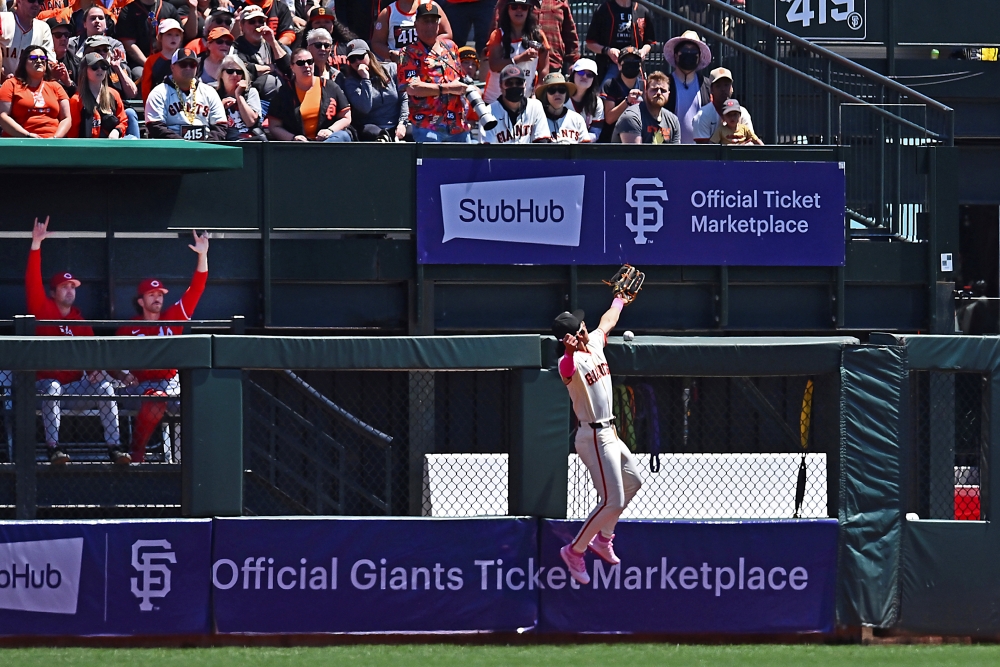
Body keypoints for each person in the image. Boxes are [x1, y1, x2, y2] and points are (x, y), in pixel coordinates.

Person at [552, 301, 642, 585]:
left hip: (610, 431)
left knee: (633, 481)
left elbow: (608, 323)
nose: (585, 328)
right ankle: (574, 550)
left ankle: (603, 539)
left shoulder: (593, 345)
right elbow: (565, 370)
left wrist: (619, 301)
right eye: (581, 327)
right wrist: (567, 350)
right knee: (611, 500)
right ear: (573, 335)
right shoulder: (571, 361)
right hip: (592, 437)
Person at [27, 216, 126, 466]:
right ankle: (54, 448)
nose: (70, 290)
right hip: (41, 387)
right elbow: (32, 282)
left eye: (73, 286)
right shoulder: (43, 309)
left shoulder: (80, 320)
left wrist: (95, 373)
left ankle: (114, 447)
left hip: (73, 388)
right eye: (64, 286)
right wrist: (36, 245)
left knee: (105, 388)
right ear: (53, 292)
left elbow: (93, 356)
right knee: (52, 388)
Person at [115, 231, 208, 463]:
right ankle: (137, 451)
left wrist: (202, 256)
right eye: (151, 294)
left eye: (160, 294)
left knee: (201, 400)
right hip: (137, 389)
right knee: (156, 398)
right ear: (141, 301)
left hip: (169, 384)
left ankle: (200, 459)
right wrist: (122, 375)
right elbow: (109, 360)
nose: (157, 298)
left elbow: (195, 290)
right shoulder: (128, 328)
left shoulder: (173, 318)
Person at [399, 2, 470, 143]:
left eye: (433, 21)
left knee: (464, 164)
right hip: (428, 125)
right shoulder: (408, 52)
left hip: (458, 125)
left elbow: (461, 78)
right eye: (425, 21)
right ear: (416, 24)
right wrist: (448, 89)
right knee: (431, 164)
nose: (430, 26)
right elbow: (412, 88)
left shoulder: (451, 47)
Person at [268, 46, 353, 141]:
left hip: (328, 141)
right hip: (299, 147)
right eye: (301, 63)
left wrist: (330, 130)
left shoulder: (330, 86)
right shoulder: (283, 93)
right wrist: (293, 138)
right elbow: (274, 126)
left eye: (310, 62)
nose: (307, 66)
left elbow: (346, 117)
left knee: (343, 136)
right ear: (292, 67)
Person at [145, 47, 226, 139]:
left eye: (192, 64)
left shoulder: (209, 92)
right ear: (172, 67)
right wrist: (184, 145)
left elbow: (220, 126)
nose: (188, 68)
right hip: (173, 148)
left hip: (206, 146)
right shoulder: (159, 93)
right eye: (183, 64)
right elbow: (155, 127)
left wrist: (206, 146)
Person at [341, 38, 408, 141]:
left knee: (415, 133)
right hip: (372, 127)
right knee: (373, 133)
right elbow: (365, 107)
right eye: (352, 59)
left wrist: (402, 123)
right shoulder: (351, 82)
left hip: (396, 124)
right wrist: (365, 79)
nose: (358, 61)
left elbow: (404, 98)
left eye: (360, 56)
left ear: (369, 54)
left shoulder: (391, 69)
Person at [483, 0, 548, 104]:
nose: (519, 10)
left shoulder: (538, 35)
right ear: (507, 10)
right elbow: (494, 65)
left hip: (525, 100)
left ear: (529, 10)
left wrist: (537, 93)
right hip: (495, 100)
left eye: (523, 7)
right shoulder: (497, 34)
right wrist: (520, 58)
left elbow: (544, 70)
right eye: (514, 7)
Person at [0, 45, 71, 137]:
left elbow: (66, 118)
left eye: (42, 58)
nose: (39, 61)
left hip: (52, 142)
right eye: (33, 58)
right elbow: (3, 116)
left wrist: (55, 138)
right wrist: (27, 135)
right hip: (20, 141)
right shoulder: (11, 84)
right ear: (24, 62)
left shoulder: (56, 86)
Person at [495, 0, 578, 75]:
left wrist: (573, 60)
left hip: (553, 65)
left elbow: (569, 32)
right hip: (518, 65)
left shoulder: (560, 1)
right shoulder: (509, 1)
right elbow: (496, 26)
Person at [116, 0, 195, 76]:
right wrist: (149, 64)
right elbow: (129, 45)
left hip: (168, 59)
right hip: (141, 63)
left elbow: (182, 36)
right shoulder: (128, 11)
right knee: (139, 74)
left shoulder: (169, 8)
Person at [234, 4, 291, 108]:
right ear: (242, 26)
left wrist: (273, 42)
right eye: (252, 22)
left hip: (282, 99)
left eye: (261, 21)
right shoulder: (237, 45)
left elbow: (288, 66)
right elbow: (245, 68)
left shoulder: (270, 42)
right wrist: (273, 67)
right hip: (255, 101)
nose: (257, 25)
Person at [584, 0, 654, 85]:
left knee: (639, 95)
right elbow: (590, 43)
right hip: (610, 64)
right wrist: (608, 51)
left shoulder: (642, 11)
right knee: (605, 93)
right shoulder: (603, 10)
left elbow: (649, 42)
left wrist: (643, 51)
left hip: (635, 65)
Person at [82, 34, 139, 136]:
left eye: (105, 49)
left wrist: (117, 68)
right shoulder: (84, 68)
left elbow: (133, 93)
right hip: (91, 111)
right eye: (97, 50)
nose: (102, 53)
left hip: (116, 113)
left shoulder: (117, 66)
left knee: (130, 113)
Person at [662, 29, 711, 145]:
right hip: (672, 153)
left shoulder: (707, 86)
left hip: (702, 154)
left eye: (693, 51)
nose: (689, 54)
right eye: (684, 50)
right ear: (676, 55)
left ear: (699, 57)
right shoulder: (665, 85)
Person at [479, 63, 547, 144]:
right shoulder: (488, 113)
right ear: (500, 86)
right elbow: (487, 150)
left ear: (525, 84)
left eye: (519, 82)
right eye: (509, 83)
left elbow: (541, 143)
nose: (514, 86)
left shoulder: (535, 107)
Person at [69, 51, 131, 137]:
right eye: (94, 67)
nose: (100, 70)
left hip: (112, 145)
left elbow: (123, 121)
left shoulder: (114, 94)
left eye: (103, 66)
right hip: (87, 147)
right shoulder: (76, 100)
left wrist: (117, 131)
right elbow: (73, 133)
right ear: (84, 71)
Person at [612, 70, 679, 144]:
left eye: (663, 91)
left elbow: (675, 154)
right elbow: (634, 154)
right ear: (645, 92)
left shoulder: (673, 120)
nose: (659, 93)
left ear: (669, 94)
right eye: (654, 89)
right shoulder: (631, 118)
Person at [372, 0, 450, 63]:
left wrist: (431, 47)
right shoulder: (388, 12)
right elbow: (377, 42)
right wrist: (391, 54)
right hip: (399, 67)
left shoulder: (430, 6)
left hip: (429, 64)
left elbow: (447, 34)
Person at [692, 66, 754, 144]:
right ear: (711, 89)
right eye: (718, 86)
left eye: (726, 85)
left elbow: (751, 143)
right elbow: (704, 151)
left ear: (732, 88)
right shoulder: (702, 115)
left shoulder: (743, 112)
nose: (723, 89)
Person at [597, 44, 640, 142]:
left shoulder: (644, 84)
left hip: (636, 138)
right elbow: (609, 118)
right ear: (619, 65)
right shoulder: (610, 85)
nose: (631, 64)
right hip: (612, 140)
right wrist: (627, 101)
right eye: (627, 61)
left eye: (635, 61)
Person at [0, 0, 55, 77]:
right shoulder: (2, 19)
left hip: (28, 86)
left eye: (40, 1)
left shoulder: (43, 28)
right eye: (31, 0)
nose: (36, 4)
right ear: (18, 1)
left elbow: (49, 62)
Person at [216, 53, 261, 139]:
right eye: (230, 71)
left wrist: (239, 95)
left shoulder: (251, 92)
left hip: (248, 141)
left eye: (239, 72)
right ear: (221, 74)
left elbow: (251, 122)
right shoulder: (213, 94)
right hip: (225, 141)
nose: (235, 75)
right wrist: (220, 108)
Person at [298, 6, 355, 74]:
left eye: (327, 22)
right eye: (317, 22)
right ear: (311, 26)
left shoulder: (348, 45)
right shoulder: (304, 49)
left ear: (333, 25)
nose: (322, 25)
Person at [535, 71, 587, 143]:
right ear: (545, 94)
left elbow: (585, 149)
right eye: (552, 90)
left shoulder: (577, 119)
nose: (557, 94)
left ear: (566, 93)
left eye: (561, 90)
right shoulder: (537, 119)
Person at [140, 17, 184, 100]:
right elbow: (146, 88)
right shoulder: (151, 61)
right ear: (160, 37)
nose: (173, 38)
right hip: (158, 103)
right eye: (169, 34)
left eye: (177, 35)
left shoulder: (184, 58)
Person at [567, 56, 601, 142]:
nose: (585, 76)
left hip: (585, 146)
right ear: (573, 74)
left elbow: (596, 129)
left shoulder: (597, 102)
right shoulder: (561, 95)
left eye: (589, 75)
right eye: (581, 73)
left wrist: (582, 140)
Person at [47, 17, 76, 95]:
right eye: (58, 35)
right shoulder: (40, 59)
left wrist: (69, 83)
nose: (63, 38)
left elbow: (82, 94)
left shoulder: (76, 61)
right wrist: (50, 78)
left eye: (66, 35)